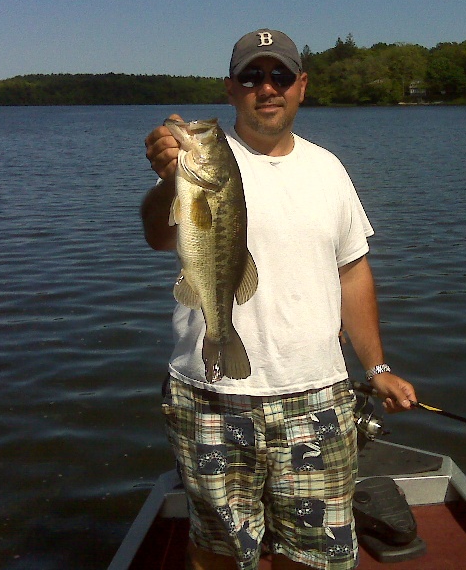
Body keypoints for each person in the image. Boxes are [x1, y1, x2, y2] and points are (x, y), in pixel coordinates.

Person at [141, 29, 417, 570]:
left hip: (317, 397)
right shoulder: (202, 164)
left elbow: (353, 272)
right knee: (219, 552)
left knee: (319, 557)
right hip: (211, 396)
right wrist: (166, 181)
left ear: (301, 87)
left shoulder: (329, 170)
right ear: (231, 89)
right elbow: (157, 233)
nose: (267, 88)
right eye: (251, 77)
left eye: (280, 76)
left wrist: (377, 365)